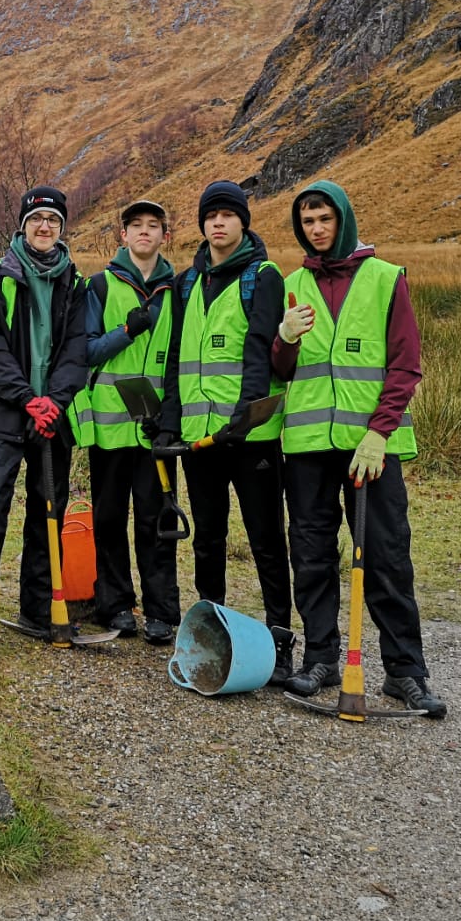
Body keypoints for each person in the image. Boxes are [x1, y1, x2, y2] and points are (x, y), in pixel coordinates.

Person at [272, 180, 446, 716]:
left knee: (387, 556)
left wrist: (379, 431)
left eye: (324, 219)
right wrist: (285, 337)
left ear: (342, 219)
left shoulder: (385, 278)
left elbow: (405, 365)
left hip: (370, 448)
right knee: (312, 555)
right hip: (306, 448)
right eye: (307, 222)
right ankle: (321, 658)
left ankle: (405, 672)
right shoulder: (292, 283)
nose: (316, 229)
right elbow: (280, 370)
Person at [157, 180, 294, 683]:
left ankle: (281, 639)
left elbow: (260, 350)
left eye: (227, 215)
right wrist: (169, 421)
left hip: (250, 438)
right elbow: (177, 359)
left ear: (243, 222)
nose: (218, 223)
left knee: (265, 538)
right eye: (210, 216)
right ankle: (210, 631)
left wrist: (246, 414)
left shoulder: (263, 276)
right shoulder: (187, 283)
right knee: (208, 539)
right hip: (199, 439)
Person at [0, 186, 88, 655]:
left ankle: (37, 607)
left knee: (47, 513)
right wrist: (28, 399)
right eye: (37, 219)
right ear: (22, 226)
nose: (45, 226)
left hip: (53, 418)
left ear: (62, 227)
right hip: (4, 415)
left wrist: (55, 401)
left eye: (53, 219)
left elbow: (77, 350)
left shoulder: (75, 282)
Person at [71, 199, 180, 645]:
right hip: (112, 427)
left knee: (156, 520)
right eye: (136, 226)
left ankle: (160, 611)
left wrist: (171, 419)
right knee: (110, 517)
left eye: (153, 226)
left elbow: (180, 360)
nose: (144, 233)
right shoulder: (98, 287)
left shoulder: (180, 291)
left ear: (164, 236)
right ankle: (114, 604)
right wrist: (128, 331)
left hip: (156, 429)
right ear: (123, 235)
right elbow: (87, 351)